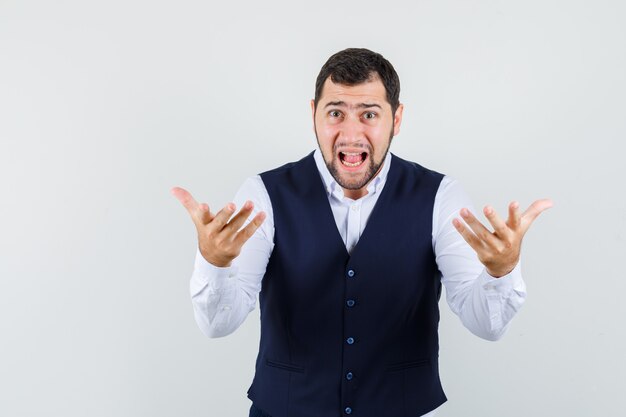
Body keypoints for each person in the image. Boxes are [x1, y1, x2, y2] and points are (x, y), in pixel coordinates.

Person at [171, 48, 552, 417]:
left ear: (396, 120)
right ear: (313, 115)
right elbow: (217, 325)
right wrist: (215, 263)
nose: (351, 134)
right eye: (335, 112)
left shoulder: (440, 196)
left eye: (369, 114)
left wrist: (500, 271)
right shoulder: (264, 195)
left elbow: (487, 326)